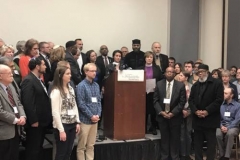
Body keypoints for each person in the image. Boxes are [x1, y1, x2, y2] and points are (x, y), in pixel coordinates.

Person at [189, 64, 224, 160]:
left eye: (202, 72)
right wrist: (196, 111)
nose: (200, 74)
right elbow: (190, 100)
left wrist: (207, 111)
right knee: (197, 144)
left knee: (211, 145)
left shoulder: (217, 83)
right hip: (197, 119)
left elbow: (219, 100)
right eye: (198, 72)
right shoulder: (195, 85)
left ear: (207, 72)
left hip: (210, 119)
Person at [21, 57, 52, 160]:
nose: (45, 66)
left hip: (42, 121)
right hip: (35, 122)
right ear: (37, 66)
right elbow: (28, 102)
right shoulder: (29, 80)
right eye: (43, 64)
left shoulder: (38, 79)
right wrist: (33, 120)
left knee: (38, 147)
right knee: (33, 149)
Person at [154, 67, 186, 160]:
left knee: (175, 139)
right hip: (162, 116)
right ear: (165, 73)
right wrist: (161, 112)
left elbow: (182, 102)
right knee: (164, 138)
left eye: (172, 72)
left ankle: (174, 157)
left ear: (174, 74)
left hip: (175, 117)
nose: (169, 73)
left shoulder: (180, 86)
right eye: (168, 72)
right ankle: (164, 157)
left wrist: (173, 113)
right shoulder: (159, 84)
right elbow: (155, 100)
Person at [50, 66, 80, 160]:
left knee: (68, 152)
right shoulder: (56, 91)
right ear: (60, 75)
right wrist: (61, 130)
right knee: (61, 153)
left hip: (72, 123)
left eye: (70, 73)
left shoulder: (70, 88)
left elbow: (74, 105)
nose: (70, 75)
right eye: (67, 74)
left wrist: (77, 121)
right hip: (62, 125)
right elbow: (55, 112)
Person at [76, 63, 102, 160]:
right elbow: (81, 104)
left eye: (95, 71)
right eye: (92, 71)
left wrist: (98, 114)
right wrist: (91, 116)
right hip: (85, 120)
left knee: (91, 145)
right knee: (82, 146)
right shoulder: (81, 86)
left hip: (95, 120)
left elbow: (99, 101)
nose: (94, 73)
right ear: (86, 72)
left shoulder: (96, 85)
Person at [0, 64, 26, 160]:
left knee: (14, 155)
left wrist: (22, 116)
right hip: (4, 132)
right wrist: (15, 119)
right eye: (9, 74)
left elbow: (18, 103)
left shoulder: (10, 86)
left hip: (16, 130)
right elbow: (0, 111)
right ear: (0, 76)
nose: (12, 75)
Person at [140, 51, 163, 135]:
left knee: (153, 111)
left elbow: (161, 80)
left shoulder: (157, 68)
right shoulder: (140, 68)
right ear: (145, 58)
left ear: (153, 59)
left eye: (151, 57)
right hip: (143, 93)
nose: (149, 59)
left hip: (154, 92)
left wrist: (157, 87)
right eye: (147, 57)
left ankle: (153, 127)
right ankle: (143, 128)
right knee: (144, 110)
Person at [216, 87, 240, 160]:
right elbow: (218, 118)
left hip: (233, 126)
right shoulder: (221, 105)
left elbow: (237, 120)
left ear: (231, 95)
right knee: (217, 134)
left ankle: (226, 156)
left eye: (226, 93)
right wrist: (221, 126)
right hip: (222, 125)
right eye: (223, 93)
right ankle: (221, 154)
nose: (223, 94)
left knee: (230, 133)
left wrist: (228, 127)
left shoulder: (238, 105)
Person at [178, 71, 193, 160]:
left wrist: (189, 111)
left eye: (181, 75)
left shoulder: (192, 87)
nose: (179, 77)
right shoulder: (177, 86)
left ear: (186, 78)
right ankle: (182, 154)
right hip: (180, 112)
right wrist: (182, 110)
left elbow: (193, 100)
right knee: (181, 135)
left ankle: (187, 154)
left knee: (188, 134)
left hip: (189, 113)